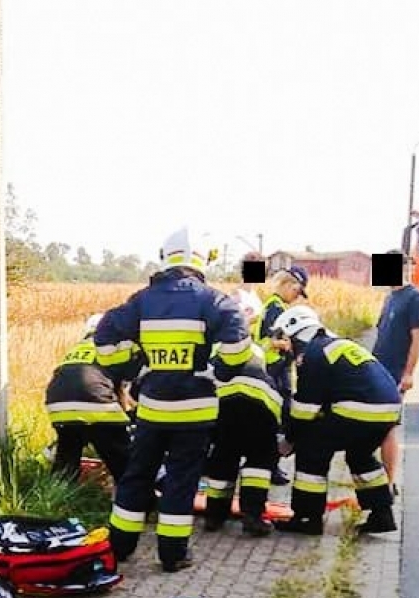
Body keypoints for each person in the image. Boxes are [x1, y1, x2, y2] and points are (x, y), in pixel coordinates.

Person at [95, 229, 252, 573]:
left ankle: (120, 547)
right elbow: (239, 341)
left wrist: (132, 365)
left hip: (152, 409)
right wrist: (220, 371)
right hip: (195, 412)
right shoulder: (213, 300)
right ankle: (172, 553)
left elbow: (104, 337)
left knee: (137, 475)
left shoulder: (142, 300)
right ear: (201, 260)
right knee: (181, 480)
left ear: (165, 257)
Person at [273, 306, 400, 537]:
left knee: (311, 450)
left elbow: (305, 408)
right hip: (387, 411)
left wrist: (290, 439)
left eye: (285, 338)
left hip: (358, 410)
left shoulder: (311, 354)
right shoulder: (338, 345)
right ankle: (382, 515)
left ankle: (307, 518)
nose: (285, 346)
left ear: (295, 332)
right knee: (360, 456)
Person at [204, 289, 283, 537]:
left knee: (223, 458)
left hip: (224, 405)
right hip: (261, 406)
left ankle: (214, 517)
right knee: (260, 461)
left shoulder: (215, 348)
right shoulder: (256, 350)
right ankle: (253, 517)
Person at [44, 313, 131, 484]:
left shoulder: (77, 348)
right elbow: (119, 390)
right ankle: (137, 497)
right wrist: (124, 423)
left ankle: (57, 495)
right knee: (124, 463)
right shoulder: (110, 347)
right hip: (97, 402)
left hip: (58, 406)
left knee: (67, 458)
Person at [371, 251, 419, 496]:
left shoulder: (414, 298)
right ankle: (376, 479)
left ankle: (389, 482)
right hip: (378, 370)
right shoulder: (389, 297)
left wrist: (409, 373)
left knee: (387, 427)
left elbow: (417, 338)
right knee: (376, 425)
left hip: (395, 373)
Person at [255, 265, 309, 484]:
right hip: (274, 370)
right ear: (288, 284)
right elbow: (269, 340)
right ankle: (270, 466)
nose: (297, 297)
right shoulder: (276, 308)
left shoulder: (274, 306)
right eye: (297, 291)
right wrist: (287, 344)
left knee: (279, 419)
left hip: (276, 370)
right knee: (277, 420)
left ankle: (271, 465)